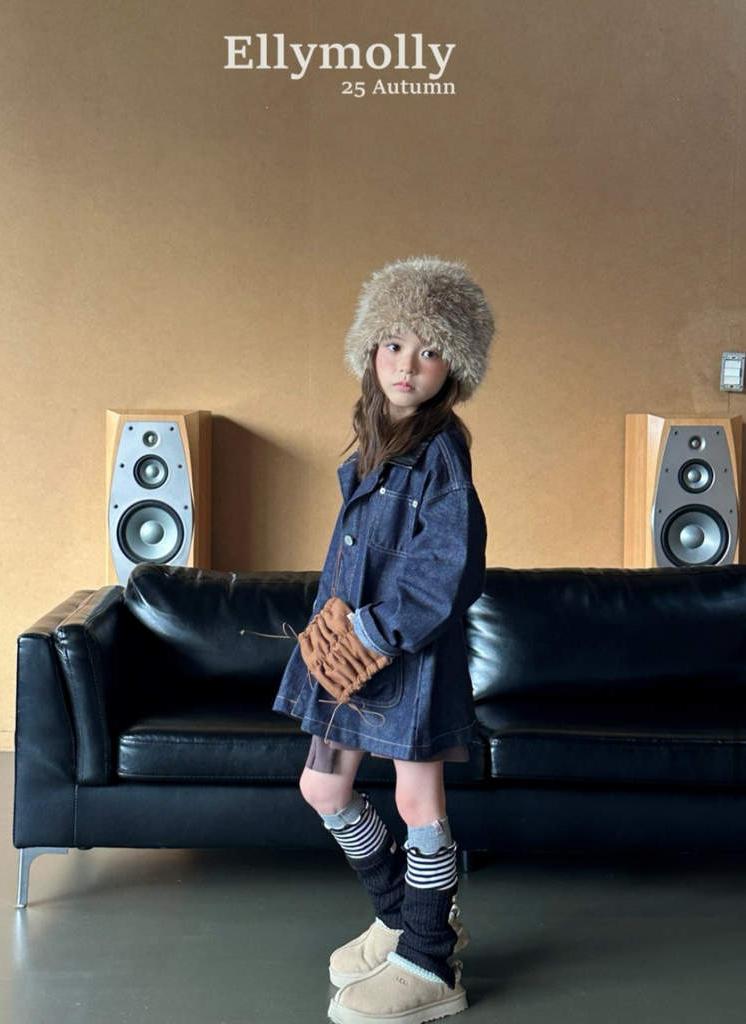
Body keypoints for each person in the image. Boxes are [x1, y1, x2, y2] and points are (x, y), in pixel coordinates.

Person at [272, 255, 494, 1024]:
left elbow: (452, 567)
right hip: (348, 660)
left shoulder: (441, 453)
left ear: (452, 367)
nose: (407, 364)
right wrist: (329, 628)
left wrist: (374, 629)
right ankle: (403, 917)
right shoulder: (375, 439)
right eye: (394, 344)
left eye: (429, 350)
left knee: (416, 799)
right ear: (370, 350)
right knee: (322, 787)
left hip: (406, 657)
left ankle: (430, 961)